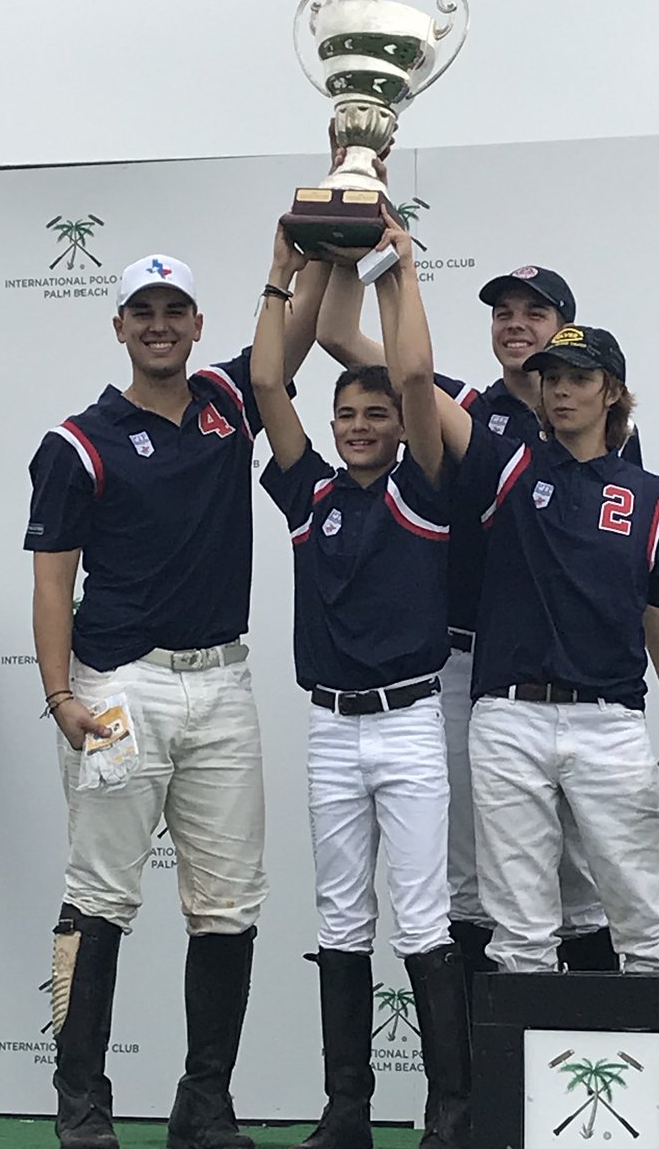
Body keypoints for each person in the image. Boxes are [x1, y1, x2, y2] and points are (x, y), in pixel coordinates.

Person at [314, 261, 659, 987]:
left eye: (536, 311)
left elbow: (639, 584)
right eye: (503, 312)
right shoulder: (464, 405)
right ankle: (475, 1086)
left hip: (583, 683)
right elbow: (339, 334)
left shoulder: (613, 443)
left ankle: (585, 1043)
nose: (516, 323)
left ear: (571, 336)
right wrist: (356, 243)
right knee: (480, 875)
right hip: (471, 667)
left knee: (586, 876)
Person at [25, 251, 333, 1149]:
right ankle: (80, 1104)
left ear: (199, 324)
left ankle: (204, 1106)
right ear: (119, 326)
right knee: (96, 899)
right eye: (143, 311)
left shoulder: (229, 402)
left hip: (223, 685)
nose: (160, 324)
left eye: (176, 310)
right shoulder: (78, 441)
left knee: (229, 903)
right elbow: (52, 586)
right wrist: (59, 695)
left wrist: (296, 259)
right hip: (117, 688)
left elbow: (295, 340)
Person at [251, 216, 470, 1149]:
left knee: (422, 921)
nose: (360, 426)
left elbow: (416, 375)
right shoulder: (310, 492)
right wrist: (281, 273)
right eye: (347, 415)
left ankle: (450, 1113)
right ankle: (347, 1110)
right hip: (332, 729)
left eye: (374, 415)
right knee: (341, 918)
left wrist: (396, 271)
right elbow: (267, 379)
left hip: (412, 723)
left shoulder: (423, 487)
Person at [432, 323, 659, 972]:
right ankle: (523, 1078)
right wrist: (395, 274)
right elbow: (409, 380)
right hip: (508, 716)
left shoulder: (654, 497)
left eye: (580, 378)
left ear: (612, 391)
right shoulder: (508, 467)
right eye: (552, 378)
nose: (562, 391)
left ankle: (652, 1075)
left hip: (609, 720)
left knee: (645, 917)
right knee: (517, 935)